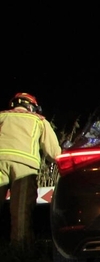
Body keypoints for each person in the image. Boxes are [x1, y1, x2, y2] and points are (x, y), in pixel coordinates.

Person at [0, 93, 61, 252]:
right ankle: (20, 250)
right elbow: (54, 153)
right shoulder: (38, 120)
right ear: (32, 106)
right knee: (21, 212)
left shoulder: (2, 116)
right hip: (24, 168)